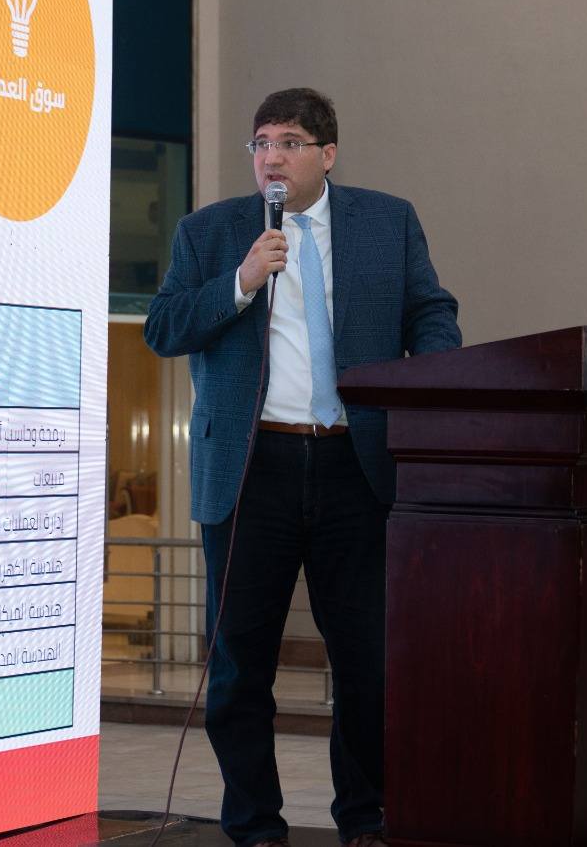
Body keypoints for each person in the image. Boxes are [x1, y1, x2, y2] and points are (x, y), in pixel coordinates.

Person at [144, 88, 461, 847]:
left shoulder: (388, 222)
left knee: (367, 661)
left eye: (288, 143)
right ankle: (255, 825)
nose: (272, 159)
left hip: (357, 465)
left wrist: (433, 379)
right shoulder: (209, 232)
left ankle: (366, 817)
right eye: (260, 144)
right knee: (239, 665)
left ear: (327, 153)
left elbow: (430, 310)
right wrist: (241, 281)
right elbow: (164, 327)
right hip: (253, 468)